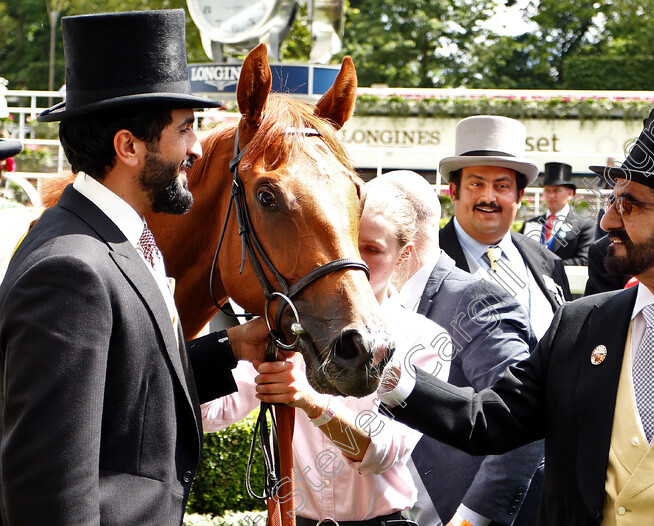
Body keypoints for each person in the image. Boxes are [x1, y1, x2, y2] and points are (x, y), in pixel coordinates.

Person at [348, 108, 654, 525]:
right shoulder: (579, 327)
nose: (607, 222)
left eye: (630, 205)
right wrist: (385, 372)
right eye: (611, 202)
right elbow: (489, 421)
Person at [0, 11, 274, 525]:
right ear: (128, 146)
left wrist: (231, 349)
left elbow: (125, 393)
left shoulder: (111, 241)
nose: (196, 148)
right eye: (186, 128)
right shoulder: (69, 271)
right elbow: (50, 494)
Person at [209, 182, 450, 526]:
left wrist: (311, 402)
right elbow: (215, 413)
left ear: (404, 255)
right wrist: (205, 338)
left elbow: (382, 452)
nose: (356, 261)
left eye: (372, 249)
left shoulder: (425, 340)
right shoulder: (291, 327)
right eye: (349, 244)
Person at [376, 171, 544, 526]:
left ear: (400, 233)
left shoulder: (475, 301)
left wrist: (470, 519)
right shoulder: (376, 302)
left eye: (367, 242)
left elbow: (522, 422)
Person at [437, 115, 571, 339]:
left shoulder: (547, 262)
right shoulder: (423, 260)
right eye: (476, 184)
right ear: (453, 192)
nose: (488, 197)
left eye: (501, 186)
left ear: (519, 196)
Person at [520, 162, 596, 265]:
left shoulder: (584, 225)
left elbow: (584, 260)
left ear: (570, 194)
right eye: (547, 190)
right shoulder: (531, 223)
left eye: (556, 191)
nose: (551, 195)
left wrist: (549, 267)